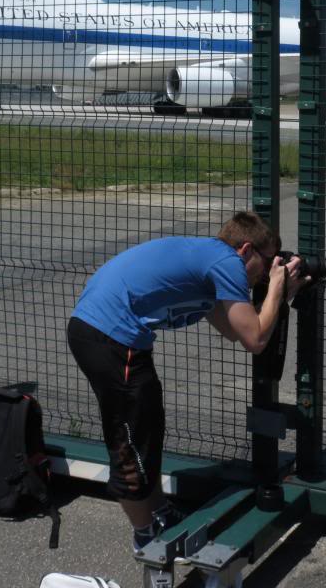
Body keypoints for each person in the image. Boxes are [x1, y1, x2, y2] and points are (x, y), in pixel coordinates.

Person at [66, 211, 309, 554]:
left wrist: (280, 294)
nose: (268, 271)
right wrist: (278, 287)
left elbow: (234, 331)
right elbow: (255, 338)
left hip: (114, 338)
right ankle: (145, 535)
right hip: (108, 337)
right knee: (132, 436)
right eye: (268, 261)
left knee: (148, 426)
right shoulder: (224, 263)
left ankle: (161, 513)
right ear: (246, 250)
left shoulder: (210, 264)